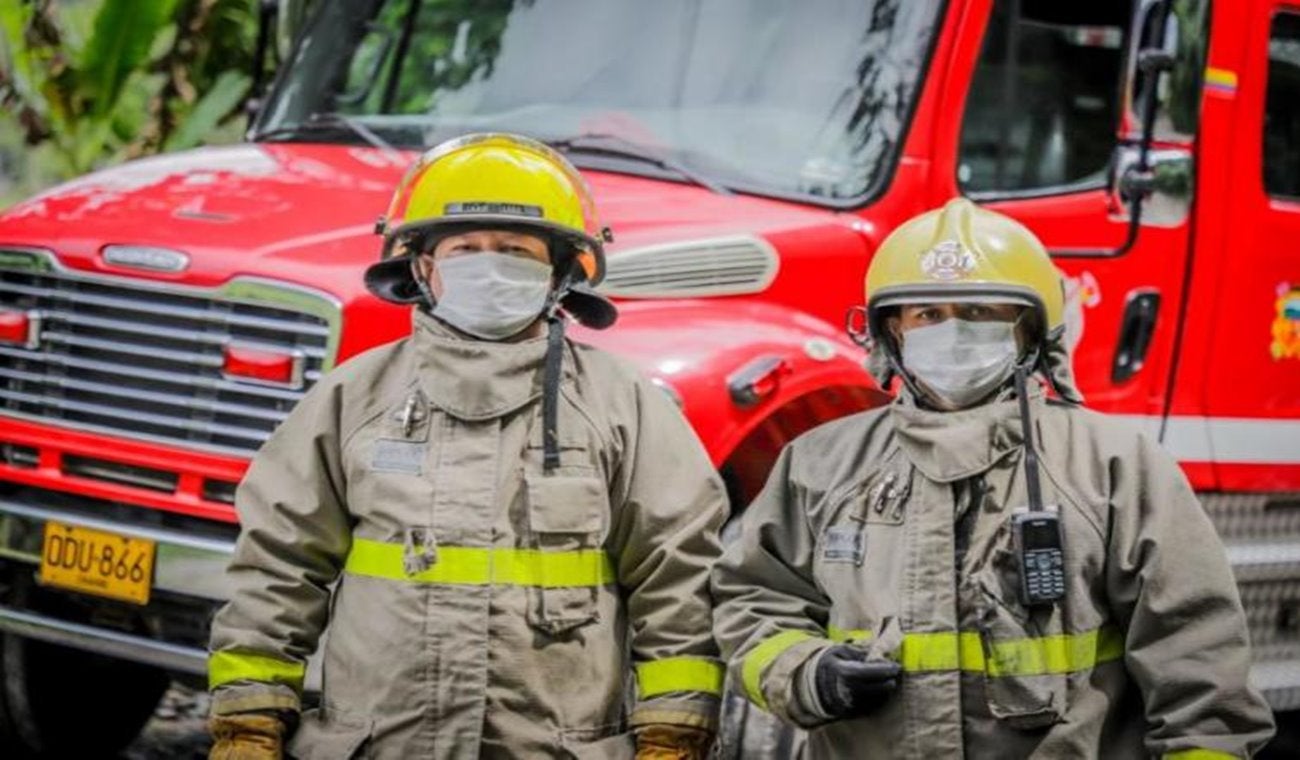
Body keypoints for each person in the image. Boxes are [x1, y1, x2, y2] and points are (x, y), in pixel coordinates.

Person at [207, 133, 727, 759]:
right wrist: (249, 720)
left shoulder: (623, 406)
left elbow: (679, 580)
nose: (489, 265)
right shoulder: (354, 398)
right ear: (423, 266)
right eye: (466, 249)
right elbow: (278, 566)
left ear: (560, 271)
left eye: (513, 251)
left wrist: (673, 732)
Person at [711, 198, 1275, 758]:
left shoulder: (1115, 465)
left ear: (1032, 331)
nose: (952, 335)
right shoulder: (820, 464)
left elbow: (1197, 661)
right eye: (928, 315)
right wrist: (806, 672)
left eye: (980, 312)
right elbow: (752, 599)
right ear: (890, 331)